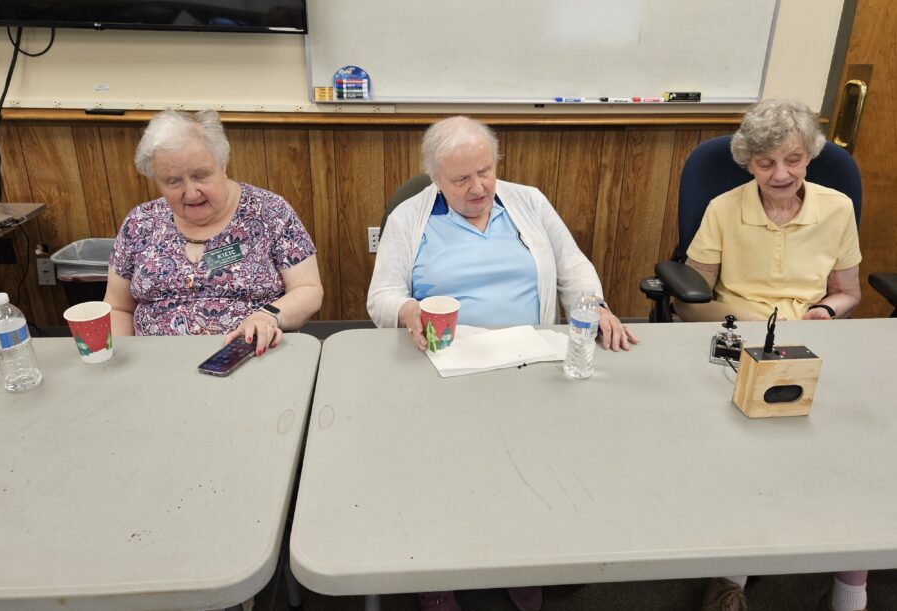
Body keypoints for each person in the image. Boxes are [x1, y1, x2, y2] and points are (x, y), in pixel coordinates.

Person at [367, 115, 637, 611]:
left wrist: (593, 304)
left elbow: (573, 265)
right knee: (445, 465)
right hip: (445, 363)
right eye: (461, 179)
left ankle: (523, 560)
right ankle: (438, 572)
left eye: (486, 172)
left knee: (532, 465)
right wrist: (409, 310)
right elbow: (381, 296)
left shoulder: (528, 201)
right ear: (435, 179)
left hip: (527, 356)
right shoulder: (410, 217)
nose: (478, 187)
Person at [679, 99, 865, 611]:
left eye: (793, 159)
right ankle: (730, 580)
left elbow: (848, 291)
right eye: (766, 164)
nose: (780, 174)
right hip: (740, 342)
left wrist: (827, 312)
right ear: (748, 163)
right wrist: (736, 334)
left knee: (856, 449)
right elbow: (689, 295)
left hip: (813, 339)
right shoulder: (724, 209)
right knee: (744, 452)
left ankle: (852, 584)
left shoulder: (837, 208)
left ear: (810, 157)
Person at [105, 110, 323, 353]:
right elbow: (118, 307)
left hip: (250, 356)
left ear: (222, 163)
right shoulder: (140, 222)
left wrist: (268, 316)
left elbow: (309, 290)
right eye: (173, 181)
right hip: (156, 365)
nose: (191, 192)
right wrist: (123, 359)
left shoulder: (269, 212)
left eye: (201, 176)